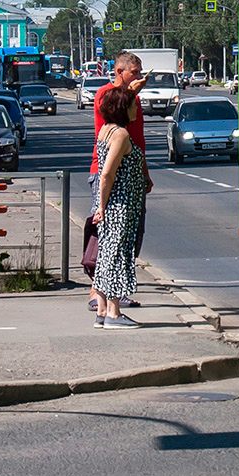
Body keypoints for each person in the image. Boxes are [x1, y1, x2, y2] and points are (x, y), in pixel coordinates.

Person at [87, 51, 150, 312]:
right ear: (119, 72)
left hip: (131, 177)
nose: (140, 77)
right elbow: (112, 115)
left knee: (130, 236)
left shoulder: (131, 101)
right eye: (134, 72)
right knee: (111, 239)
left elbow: (139, 142)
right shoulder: (108, 95)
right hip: (113, 178)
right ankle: (103, 298)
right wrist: (133, 94)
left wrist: (145, 173)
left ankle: (113, 295)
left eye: (140, 71)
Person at [91, 86, 145, 329]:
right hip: (119, 205)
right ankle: (114, 313)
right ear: (124, 108)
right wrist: (102, 207)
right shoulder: (120, 135)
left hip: (112, 204)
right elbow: (107, 174)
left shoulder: (106, 129)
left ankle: (102, 310)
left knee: (106, 255)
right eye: (133, 105)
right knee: (117, 255)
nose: (137, 110)